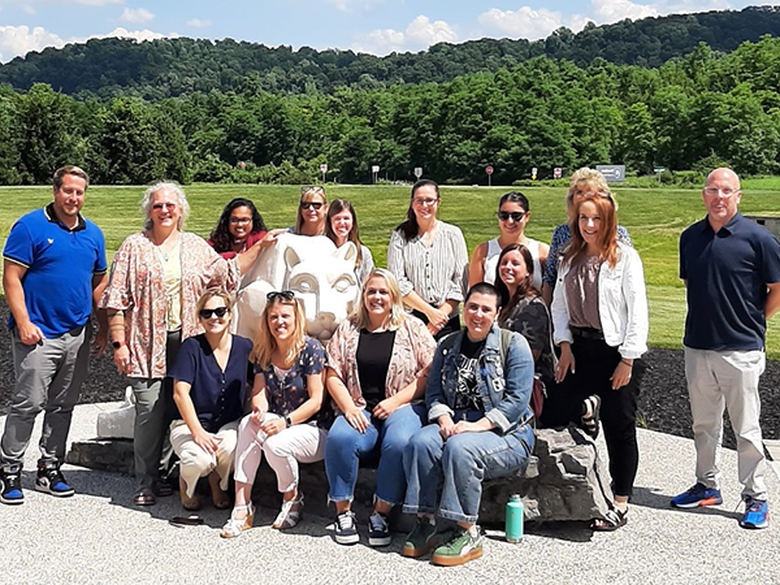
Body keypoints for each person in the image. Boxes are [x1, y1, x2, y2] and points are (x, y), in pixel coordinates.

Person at [101, 182, 271, 507]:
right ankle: (145, 481)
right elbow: (116, 300)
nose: (164, 211)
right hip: (146, 343)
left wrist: (263, 245)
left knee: (177, 406)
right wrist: (119, 343)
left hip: (189, 340)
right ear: (148, 211)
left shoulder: (194, 246)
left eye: (170, 205)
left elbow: (228, 273)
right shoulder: (133, 247)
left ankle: (167, 474)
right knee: (150, 412)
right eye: (158, 206)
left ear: (181, 210)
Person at [672, 168, 780, 530]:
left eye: (727, 191)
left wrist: (754, 320)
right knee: (704, 424)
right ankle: (707, 485)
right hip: (698, 346)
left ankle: (755, 495)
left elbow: (776, 287)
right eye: (713, 190)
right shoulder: (690, 238)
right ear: (704, 195)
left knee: (746, 429)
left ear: (739, 196)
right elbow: (692, 282)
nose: (719, 197)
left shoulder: (758, 239)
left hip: (741, 349)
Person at [402, 283, 535, 566]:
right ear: (464, 308)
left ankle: (466, 530)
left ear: (497, 313)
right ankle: (426, 522)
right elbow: (435, 391)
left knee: (461, 448)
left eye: (486, 309)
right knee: (421, 442)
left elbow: (517, 401)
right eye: (472, 307)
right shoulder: (448, 346)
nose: (477, 314)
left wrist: (477, 427)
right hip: (458, 423)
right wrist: (445, 418)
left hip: (507, 433)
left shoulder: (513, 345)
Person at [0, 166, 107, 505]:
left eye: (80, 192)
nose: (73, 198)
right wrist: (24, 321)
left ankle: (49, 467)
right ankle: (10, 469)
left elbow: (99, 282)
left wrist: (101, 325)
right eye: (68, 191)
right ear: (55, 190)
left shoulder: (93, 233)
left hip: (77, 333)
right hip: (38, 333)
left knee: (63, 405)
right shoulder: (30, 226)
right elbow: (12, 277)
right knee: (28, 403)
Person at [550, 195, 648, 530]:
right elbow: (559, 307)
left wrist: (628, 360)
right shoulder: (569, 258)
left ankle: (620, 501)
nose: (589, 225)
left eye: (596, 219)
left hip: (615, 352)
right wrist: (563, 346)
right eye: (583, 219)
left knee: (618, 424)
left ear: (608, 221)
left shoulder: (624, 258)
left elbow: (637, 312)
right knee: (555, 411)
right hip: (578, 348)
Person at [325, 268, 436, 546]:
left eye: (383, 292)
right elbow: (333, 374)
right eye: (371, 291)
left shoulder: (413, 328)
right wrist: (348, 408)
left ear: (394, 297)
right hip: (359, 406)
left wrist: (396, 401)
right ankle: (343, 512)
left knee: (399, 441)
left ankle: (381, 513)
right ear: (363, 295)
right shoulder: (348, 328)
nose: (377, 297)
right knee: (340, 437)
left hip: (404, 406)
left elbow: (429, 372)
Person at [222, 291, 327, 538]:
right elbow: (259, 392)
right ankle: (242, 505)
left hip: (313, 428)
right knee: (248, 422)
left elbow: (316, 400)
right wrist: (259, 408)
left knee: (276, 444)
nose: (279, 322)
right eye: (273, 317)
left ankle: (292, 499)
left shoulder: (311, 349)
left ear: (296, 318)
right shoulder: (265, 351)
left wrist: (286, 421)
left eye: (285, 316)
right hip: (279, 422)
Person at [168, 290, 252, 511]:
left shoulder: (244, 347)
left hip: (228, 423)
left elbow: (259, 381)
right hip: (190, 423)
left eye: (220, 311)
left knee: (233, 445)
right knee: (199, 460)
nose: (214, 317)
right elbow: (180, 393)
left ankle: (217, 482)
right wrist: (197, 432)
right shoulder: (191, 347)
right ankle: (186, 482)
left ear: (230, 314)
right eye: (207, 313)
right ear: (200, 318)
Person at [387, 180, 468, 340]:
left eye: (429, 200)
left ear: (438, 202)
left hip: (447, 320)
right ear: (412, 203)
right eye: (419, 200)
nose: (424, 205)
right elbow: (397, 281)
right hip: (410, 319)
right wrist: (429, 312)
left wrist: (439, 317)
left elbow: (461, 280)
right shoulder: (400, 235)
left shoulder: (453, 234)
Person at [542, 168, 632, 305]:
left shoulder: (618, 234)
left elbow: (630, 281)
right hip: (568, 313)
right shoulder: (562, 234)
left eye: (589, 192)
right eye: (579, 192)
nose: (584, 196)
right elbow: (550, 277)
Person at [494, 244, 555, 393]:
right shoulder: (501, 300)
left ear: (528, 271)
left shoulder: (532, 307)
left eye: (515, 263)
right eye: (504, 263)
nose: (508, 267)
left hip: (530, 383)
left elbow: (530, 356)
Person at [469, 191, 549, 290]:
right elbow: (475, 292)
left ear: (527, 216)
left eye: (516, 216)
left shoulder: (542, 251)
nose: (510, 221)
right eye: (504, 215)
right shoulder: (483, 251)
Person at [324, 198, 375, 285]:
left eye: (346, 218)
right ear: (330, 221)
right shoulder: (322, 250)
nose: (342, 222)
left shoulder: (363, 253)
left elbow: (370, 285)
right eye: (337, 218)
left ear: (353, 221)